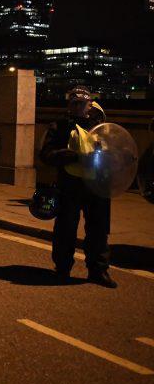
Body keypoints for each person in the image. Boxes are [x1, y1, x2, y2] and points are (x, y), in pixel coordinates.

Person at [39, 86, 116, 288]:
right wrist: (73, 156)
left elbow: (113, 153)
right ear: (69, 106)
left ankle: (98, 271)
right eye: (75, 103)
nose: (79, 107)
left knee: (98, 231)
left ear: (90, 104)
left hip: (97, 186)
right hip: (70, 185)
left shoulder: (100, 127)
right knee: (66, 229)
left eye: (83, 103)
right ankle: (63, 268)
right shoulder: (59, 126)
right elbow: (46, 154)